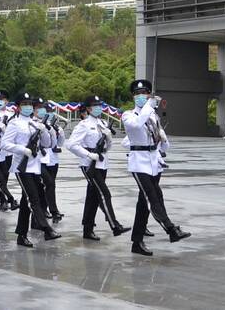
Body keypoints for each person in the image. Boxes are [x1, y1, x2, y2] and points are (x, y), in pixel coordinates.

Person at [122, 80, 191, 256]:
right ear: (133, 97)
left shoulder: (152, 116)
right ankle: (171, 230)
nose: (141, 96)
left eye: (145, 93)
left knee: (146, 202)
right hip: (139, 163)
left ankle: (136, 242)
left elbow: (161, 140)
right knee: (152, 198)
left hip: (154, 162)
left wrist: (163, 141)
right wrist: (149, 107)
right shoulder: (128, 115)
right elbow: (137, 125)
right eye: (137, 94)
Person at [1, 92, 61, 248]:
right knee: (32, 199)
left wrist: (46, 131)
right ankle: (47, 229)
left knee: (28, 199)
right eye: (24, 104)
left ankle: (21, 235)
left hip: (36, 165)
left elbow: (47, 144)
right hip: (22, 166)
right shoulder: (14, 123)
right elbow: (4, 144)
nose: (28, 107)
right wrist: (22, 149)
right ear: (18, 107)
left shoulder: (36, 122)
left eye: (30, 104)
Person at [66, 95, 130, 240]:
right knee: (104, 194)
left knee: (93, 197)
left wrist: (109, 139)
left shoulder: (103, 122)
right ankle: (115, 225)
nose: (98, 108)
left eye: (99, 105)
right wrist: (88, 155)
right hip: (89, 165)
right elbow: (71, 145)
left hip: (102, 162)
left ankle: (87, 230)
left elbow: (107, 148)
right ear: (88, 109)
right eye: (95, 106)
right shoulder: (83, 125)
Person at [33, 98, 64, 224]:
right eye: (41, 108)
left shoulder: (52, 125)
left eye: (46, 110)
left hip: (52, 159)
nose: (46, 112)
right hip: (40, 158)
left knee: (50, 185)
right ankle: (53, 210)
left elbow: (59, 144)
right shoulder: (33, 123)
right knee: (47, 184)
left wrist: (59, 133)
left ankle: (45, 209)